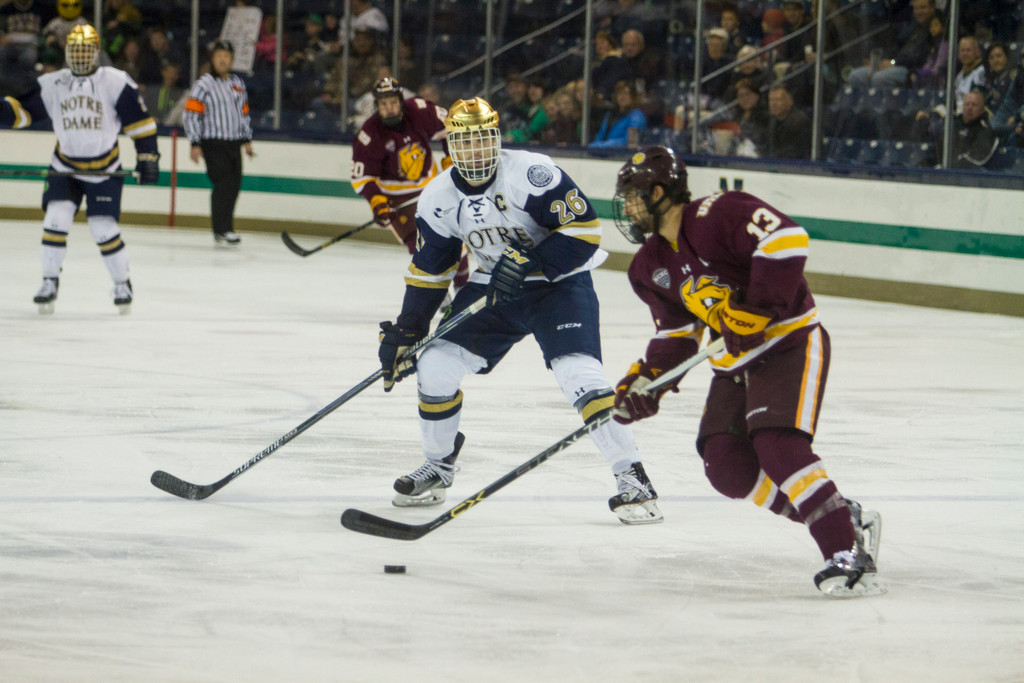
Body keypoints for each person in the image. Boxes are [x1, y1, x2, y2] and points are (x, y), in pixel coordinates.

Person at [609, 145, 883, 596]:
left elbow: (786, 239)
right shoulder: (649, 266)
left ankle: (847, 553)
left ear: (660, 192)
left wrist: (758, 309)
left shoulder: (721, 212)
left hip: (788, 343)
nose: (629, 208)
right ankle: (840, 515)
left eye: (635, 196)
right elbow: (677, 336)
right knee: (726, 466)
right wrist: (647, 383)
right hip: (734, 363)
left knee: (777, 445)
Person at [376, 96, 662, 525]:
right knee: (434, 363)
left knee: (579, 375)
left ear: (496, 139)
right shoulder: (437, 197)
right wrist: (408, 329)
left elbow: (585, 232)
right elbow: (431, 270)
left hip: (558, 285)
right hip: (493, 288)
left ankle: (633, 477)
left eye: (482, 140)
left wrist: (533, 261)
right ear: (450, 146)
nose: (475, 151)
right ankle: (438, 465)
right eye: (464, 142)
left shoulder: (531, 173)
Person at [0, 24, 159, 314]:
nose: (82, 55)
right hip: (66, 167)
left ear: (97, 52)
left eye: (87, 49)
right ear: (67, 52)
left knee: (103, 228)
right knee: (55, 220)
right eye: (76, 49)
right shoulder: (53, 83)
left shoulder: (114, 81)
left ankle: (122, 282)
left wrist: (148, 157)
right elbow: (23, 113)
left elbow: (140, 123)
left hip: (104, 169)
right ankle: (49, 281)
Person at [183, 39, 254, 246]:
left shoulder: (238, 84)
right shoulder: (203, 84)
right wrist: (194, 142)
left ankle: (226, 227)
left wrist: (247, 139)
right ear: (212, 59)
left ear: (231, 60)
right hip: (212, 142)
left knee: (235, 185)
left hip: (233, 143)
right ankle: (221, 229)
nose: (223, 60)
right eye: (219, 56)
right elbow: (191, 114)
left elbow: (244, 114)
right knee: (223, 183)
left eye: (226, 56)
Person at [847, 0, 936, 90]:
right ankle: (862, 103)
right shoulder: (912, 27)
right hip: (895, 63)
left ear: (932, 8)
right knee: (855, 76)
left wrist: (893, 63)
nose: (919, 12)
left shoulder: (934, 29)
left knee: (879, 78)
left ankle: (883, 103)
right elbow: (896, 47)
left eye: (923, 8)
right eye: (916, 8)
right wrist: (882, 61)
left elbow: (921, 58)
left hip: (910, 69)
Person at [590, 79, 646, 148]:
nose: (622, 97)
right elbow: (600, 135)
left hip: (622, 155)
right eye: (619, 93)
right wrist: (593, 147)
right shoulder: (610, 114)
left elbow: (628, 142)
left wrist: (601, 146)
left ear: (632, 96)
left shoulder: (636, 116)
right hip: (604, 153)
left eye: (626, 93)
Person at [766, 83, 812, 160]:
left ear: (790, 101)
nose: (773, 104)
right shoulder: (773, 121)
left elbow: (793, 154)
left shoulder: (798, 122)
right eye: (771, 100)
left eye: (778, 100)